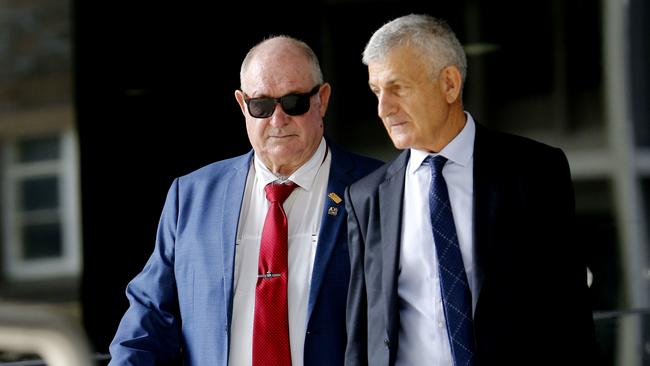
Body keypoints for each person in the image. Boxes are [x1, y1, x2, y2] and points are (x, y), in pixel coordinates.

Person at [108, 35, 382, 366]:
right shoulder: (192, 197)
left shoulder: (378, 189)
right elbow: (147, 322)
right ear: (242, 105)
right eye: (262, 106)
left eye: (294, 102)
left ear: (322, 99)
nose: (278, 120)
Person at [344, 14, 599, 366]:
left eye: (397, 88)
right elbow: (362, 335)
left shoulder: (535, 171)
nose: (383, 108)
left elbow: (570, 316)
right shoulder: (366, 198)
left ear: (449, 83)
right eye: (376, 92)